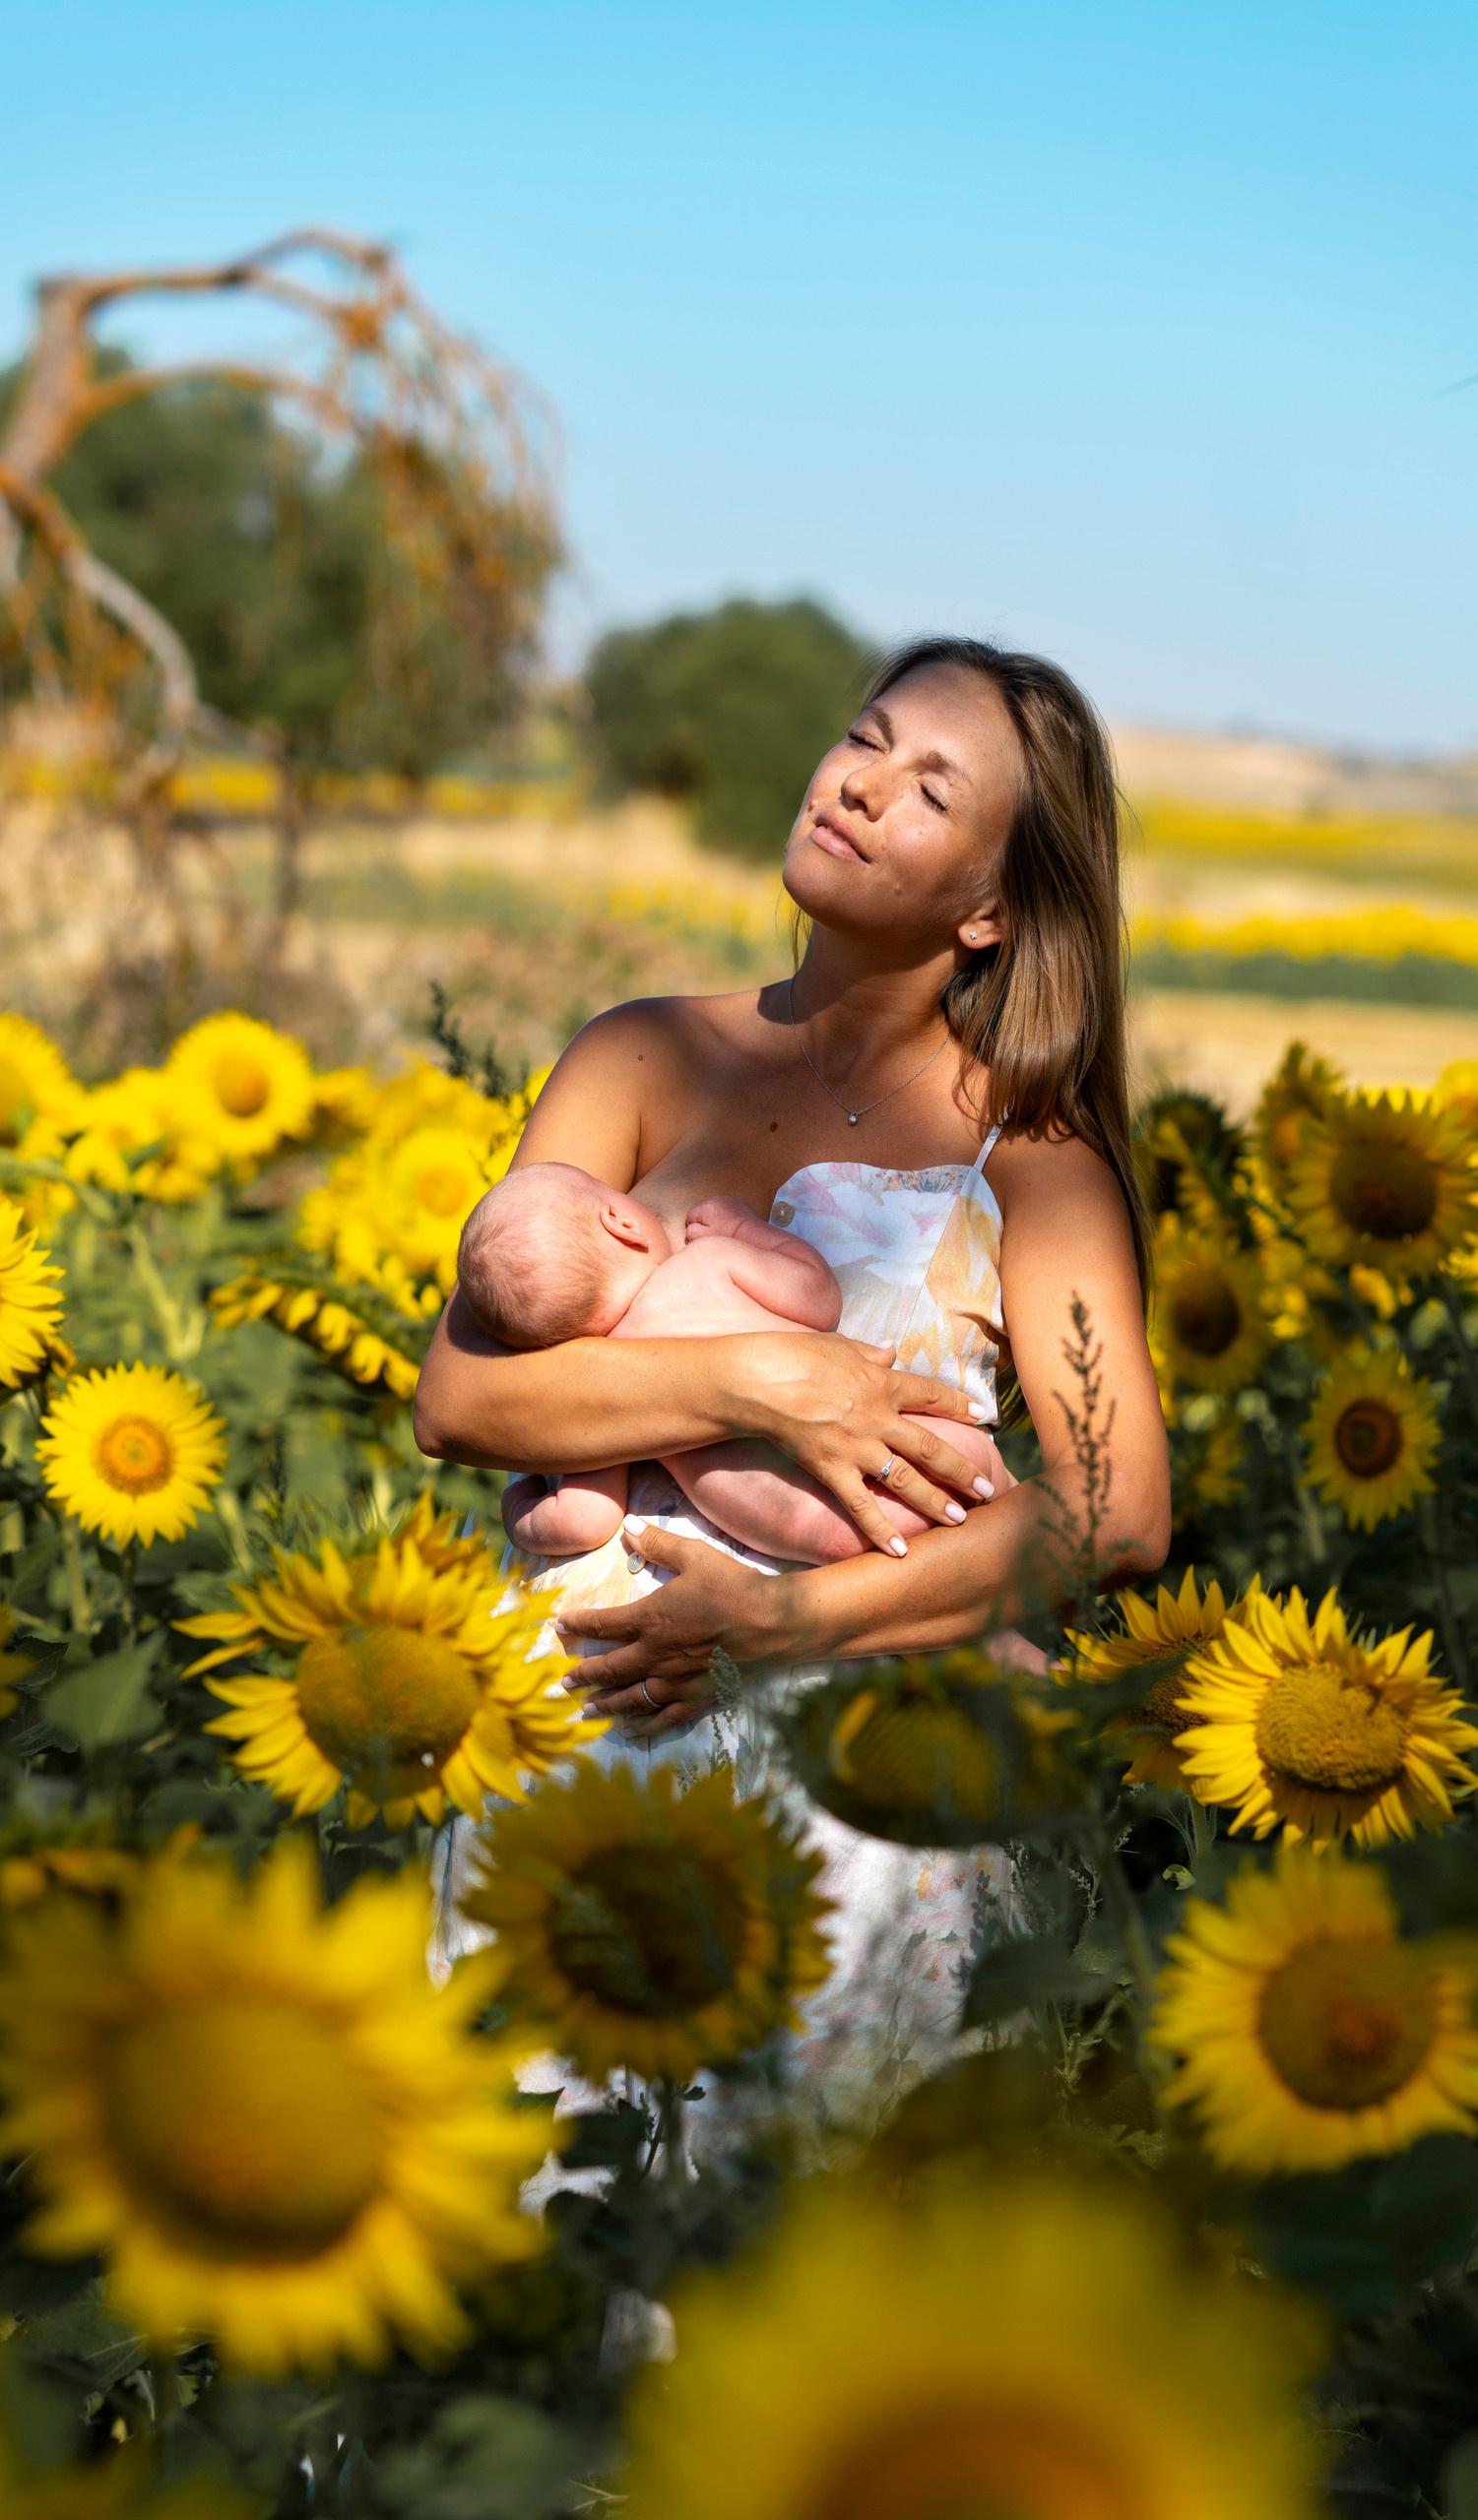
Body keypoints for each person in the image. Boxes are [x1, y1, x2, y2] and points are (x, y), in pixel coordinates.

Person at [416, 636, 1170, 2086]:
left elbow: (1116, 1507)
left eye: (929, 786)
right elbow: (462, 1399)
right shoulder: (636, 1057)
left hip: (861, 1809)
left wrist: (780, 1628)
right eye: (863, 738)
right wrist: (765, 1383)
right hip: (575, 1770)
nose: (862, 783)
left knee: (798, 2252)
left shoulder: (1036, 1157)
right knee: (546, 2241)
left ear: (992, 908)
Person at [459, 1160, 1011, 1561]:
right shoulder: (708, 1264)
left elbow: (584, 1519)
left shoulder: (608, 1386)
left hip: (828, 1531)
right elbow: (820, 1299)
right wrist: (746, 1230)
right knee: (1006, 1524)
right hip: (927, 1445)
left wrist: (519, 1507)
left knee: (951, 1626)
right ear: (620, 1221)